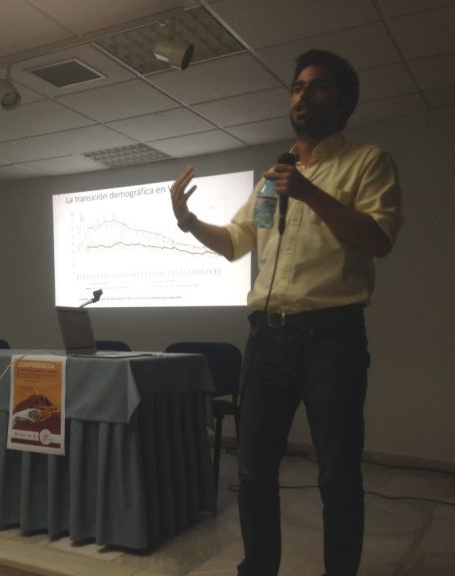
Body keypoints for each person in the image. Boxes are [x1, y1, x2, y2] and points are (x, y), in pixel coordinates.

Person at [169, 50, 402, 576]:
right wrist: (188, 221)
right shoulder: (275, 178)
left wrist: (312, 193)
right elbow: (235, 242)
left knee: (337, 473)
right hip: (267, 340)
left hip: (332, 338)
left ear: (344, 102)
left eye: (317, 86)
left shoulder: (368, 162)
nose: (301, 95)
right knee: (253, 469)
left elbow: (379, 239)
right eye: (296, 87)